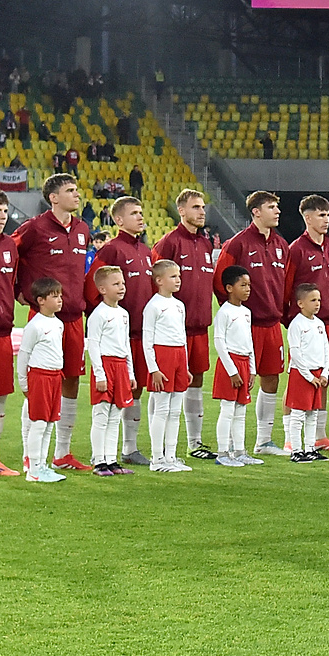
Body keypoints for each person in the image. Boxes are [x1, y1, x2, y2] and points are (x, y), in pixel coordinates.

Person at [13, 173, 95, 472]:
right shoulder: (34, 228)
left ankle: (62, 453)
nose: (77, 195)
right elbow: (8, 254)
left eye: (77, 189)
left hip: (73, 316)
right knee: (39, 383)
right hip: (44, 316)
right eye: (70, 190)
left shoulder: (83, 228)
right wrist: (17, 292)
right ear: (54, 197)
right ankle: (30, 453)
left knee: (72, 378)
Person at [214, 190, 289, 456]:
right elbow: (220, 282)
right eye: (271, 207)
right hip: (247, 324)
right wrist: (236, 314)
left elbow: (285, 284)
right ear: (256, 211)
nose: (277, 212)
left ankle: (264, 440)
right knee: (243, 381)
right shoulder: (238, 244)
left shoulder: (281, 244)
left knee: (272, 379)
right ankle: (234, 444)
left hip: (273, 324)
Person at [85, 195, 152, 468]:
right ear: (119, 219)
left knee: (134, 390)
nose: (141, 217)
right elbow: (93, 288)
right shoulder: (112, 250)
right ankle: (109, 453)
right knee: (112, 400)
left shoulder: (147, 251)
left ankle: (127, 448)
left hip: (139, 332)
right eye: (134, 213)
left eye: (141, 212)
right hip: (120, 334)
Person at [153, 189, 219, 461]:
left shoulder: (205, 244)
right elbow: (154, 281)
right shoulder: (169, 243)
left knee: (196, 381)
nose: (201, 212)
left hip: (200, 326)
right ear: (181, 211)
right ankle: (163, 448)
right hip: (173, 331)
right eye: (195, 207)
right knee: (167, 387)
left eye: (202, 207)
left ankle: (195, 442)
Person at [285, 194, 329, 447]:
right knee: (298, 378)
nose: (326, 219)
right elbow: (287, 285)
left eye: (328, 214)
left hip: (327, 322)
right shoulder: (296, 249)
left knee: (325, 376)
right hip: (304, 323)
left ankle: (319, 436)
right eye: (321, 214)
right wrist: (291, 319)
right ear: (307, 218)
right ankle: (290, 438)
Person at [83, 265, 137, 477]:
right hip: (105, 365)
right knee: (101, 414)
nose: (122, 287)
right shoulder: (98, 315)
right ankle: (99, 461)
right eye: (116, 284)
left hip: (121, 366)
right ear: (102, 289)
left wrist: (130, 373)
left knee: (116, 415)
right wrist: (100, 374)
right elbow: (93, 344)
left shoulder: (123, 314)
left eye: (122, 283)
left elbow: (126, 345)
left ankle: (111, 459)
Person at [141, 259, 193, 473]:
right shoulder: (153, 306)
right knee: (161, 409)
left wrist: (186, 365)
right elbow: (147, 339)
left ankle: (171, 455)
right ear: (159, 281)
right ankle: (157, 457)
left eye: (179, 276)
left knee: (175, 410)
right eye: (173, 277)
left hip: (179, 355)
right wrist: (153, 368)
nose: (178, 280)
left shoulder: (179, 305)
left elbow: (182, 337)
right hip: (162, 355)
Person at [14, 278, 68, 483]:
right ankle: (33, 468)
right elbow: (24, 355)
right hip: (39, 377)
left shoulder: (58, 323)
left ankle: (42, 465)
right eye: (55, 296)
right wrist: (24, 383)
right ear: (41, 300)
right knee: (38, 423)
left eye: (60, 295)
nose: (60, 300)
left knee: (49, 424)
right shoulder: (34, 326)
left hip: (55, 376)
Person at [210, 264, 260, 467]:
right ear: (230, 288)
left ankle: (239, 450)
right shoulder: (225, 312)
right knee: (228, 409)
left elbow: (249, 341)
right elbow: (219, 342)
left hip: (243, 362)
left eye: (249, 285)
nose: (248, 289)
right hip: (229, 363)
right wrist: (232, 370)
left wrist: (252, 369)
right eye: (243, 285)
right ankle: (223, 452)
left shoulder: (246, 312)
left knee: (241, 410)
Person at [284, 283, 329, 462]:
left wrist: (324, 372)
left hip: (318, 374)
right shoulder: (296, 324)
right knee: (298, 414)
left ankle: (310, 448)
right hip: (301, 374)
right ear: (301, 303)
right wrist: (309, 376)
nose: (317, 303)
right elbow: (295, 353)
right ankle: (296, 450)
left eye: (319, 299)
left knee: (313, 413)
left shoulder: (319, 324)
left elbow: (325, 348)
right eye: (313, 300)